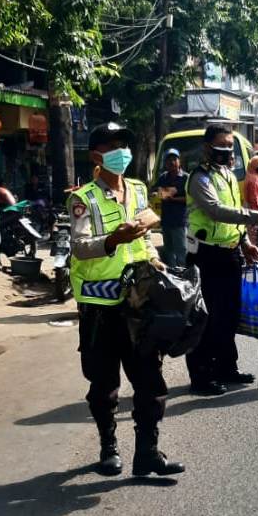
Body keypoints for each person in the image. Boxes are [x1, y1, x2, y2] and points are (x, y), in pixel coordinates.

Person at [67, 122, 184, 477]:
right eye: (113, 145)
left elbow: (145, 237)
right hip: (101, 305)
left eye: (124, 145)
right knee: (104, 384)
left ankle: (147, 453)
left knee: (150, 380)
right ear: (96, 156)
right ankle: (109, 448)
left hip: (139, 301)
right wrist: (113, 240)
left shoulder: (136, 188)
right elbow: (78, 246)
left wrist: (153, 257)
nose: (122, 151)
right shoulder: (82, 197)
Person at [184, 125, 258, 396]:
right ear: (207, 147)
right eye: (222, 145)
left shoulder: (229, 176)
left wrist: (246, 243)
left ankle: (226, 367)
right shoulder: (200, 178)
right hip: (205, 255)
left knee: (229, 315)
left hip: (229, 253)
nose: (227, 150)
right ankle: (201, 376)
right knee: (207, 318)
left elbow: (235, 219)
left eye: (230, 145)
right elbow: (216, 211)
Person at [155, 148, 189, 268]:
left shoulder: (186, 178)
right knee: (168, 250)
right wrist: (159, 194)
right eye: (168, 160)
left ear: (179, 161)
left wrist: (173, 199)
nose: (171, 162)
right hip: (166, 221)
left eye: (174, 159)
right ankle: (173, 275)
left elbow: (191, 199)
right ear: (165, 163)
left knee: (181, 251)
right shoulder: (163, 178)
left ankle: (184, 276)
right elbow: (156, 193)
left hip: (179, 221)